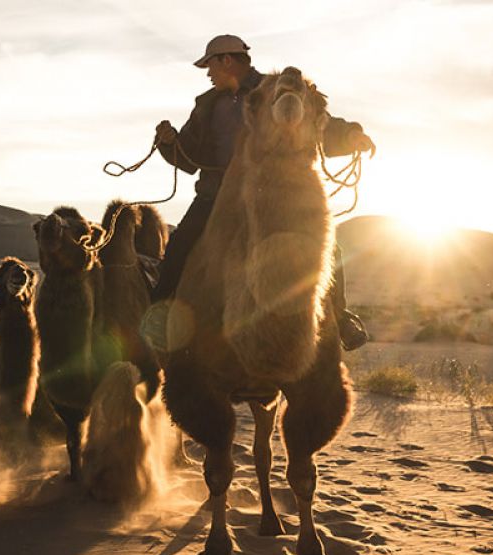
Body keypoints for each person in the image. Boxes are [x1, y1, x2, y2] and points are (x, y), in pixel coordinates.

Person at [149, 34, 373, 351]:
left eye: (210, 65)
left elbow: (319, 122)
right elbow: (188, 157)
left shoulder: (277, 90)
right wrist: (169, 143)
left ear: (227, 60)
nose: (208, 73)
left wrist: (351, 135)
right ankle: (157, 320)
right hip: (217, 195)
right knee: (179, 246)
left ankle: (341, 317)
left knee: (324, 246)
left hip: (273, 192)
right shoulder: (207, 104)